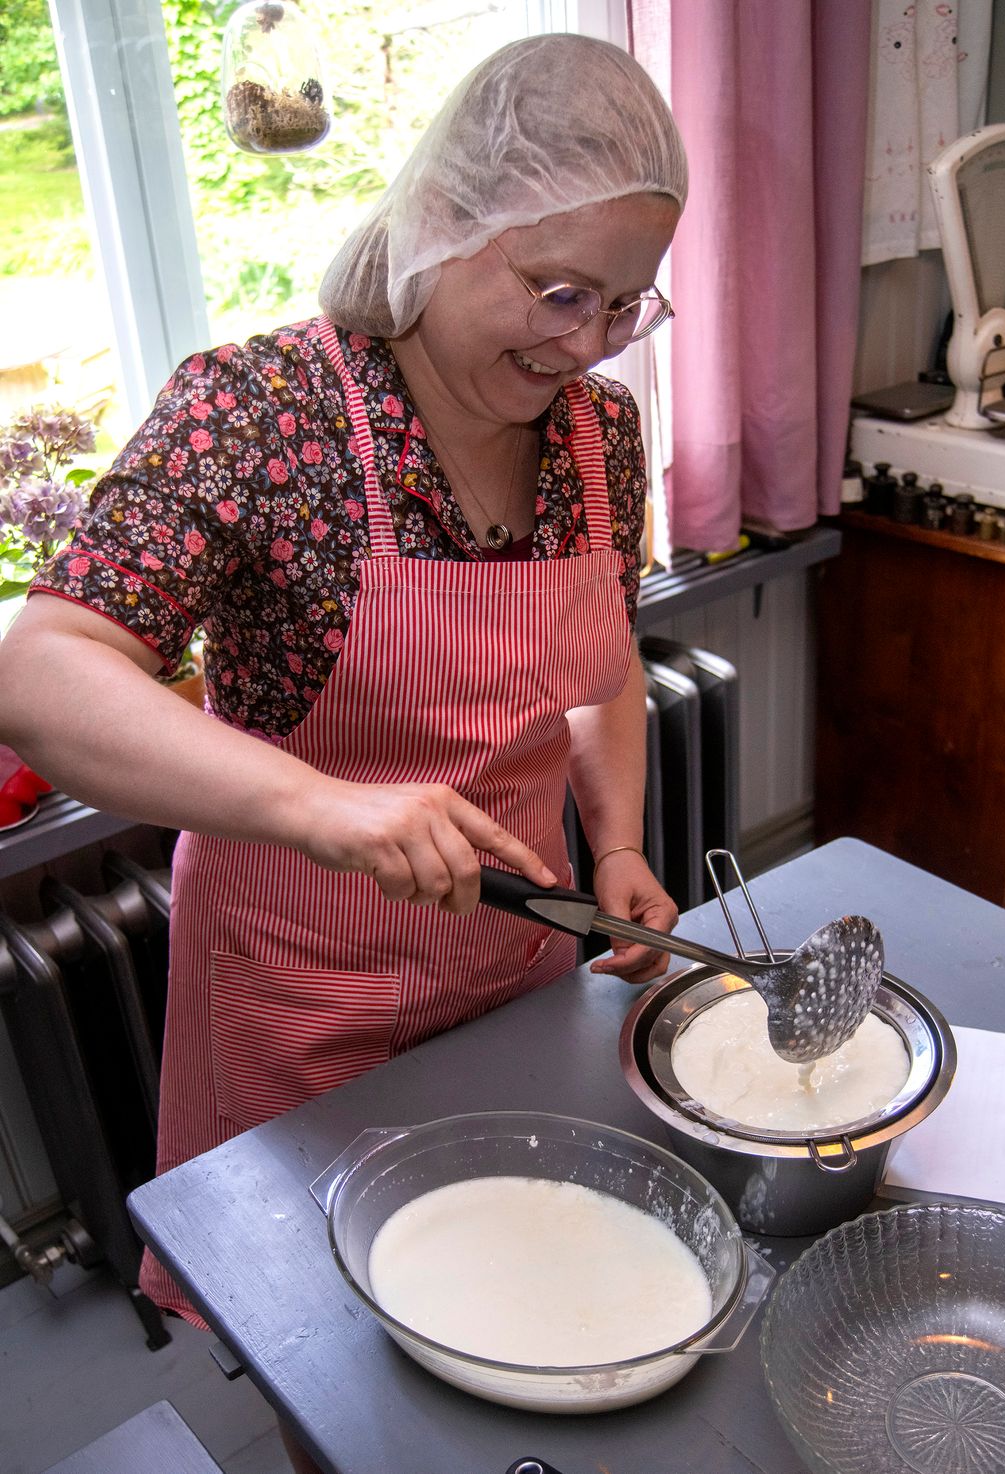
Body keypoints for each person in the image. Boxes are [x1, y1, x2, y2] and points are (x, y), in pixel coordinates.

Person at [0, 32, 686, 1459]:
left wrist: (613, 843)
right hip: (293, 1007)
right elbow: (47, 674)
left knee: (521, 1307)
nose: (582, 339)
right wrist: (325, 810)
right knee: (347, 1374)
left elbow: (600, 666)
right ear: (449, 224)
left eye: (621, 305)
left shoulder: (595, 440)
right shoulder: (259, 420)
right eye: (556, 291)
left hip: (509, 970)